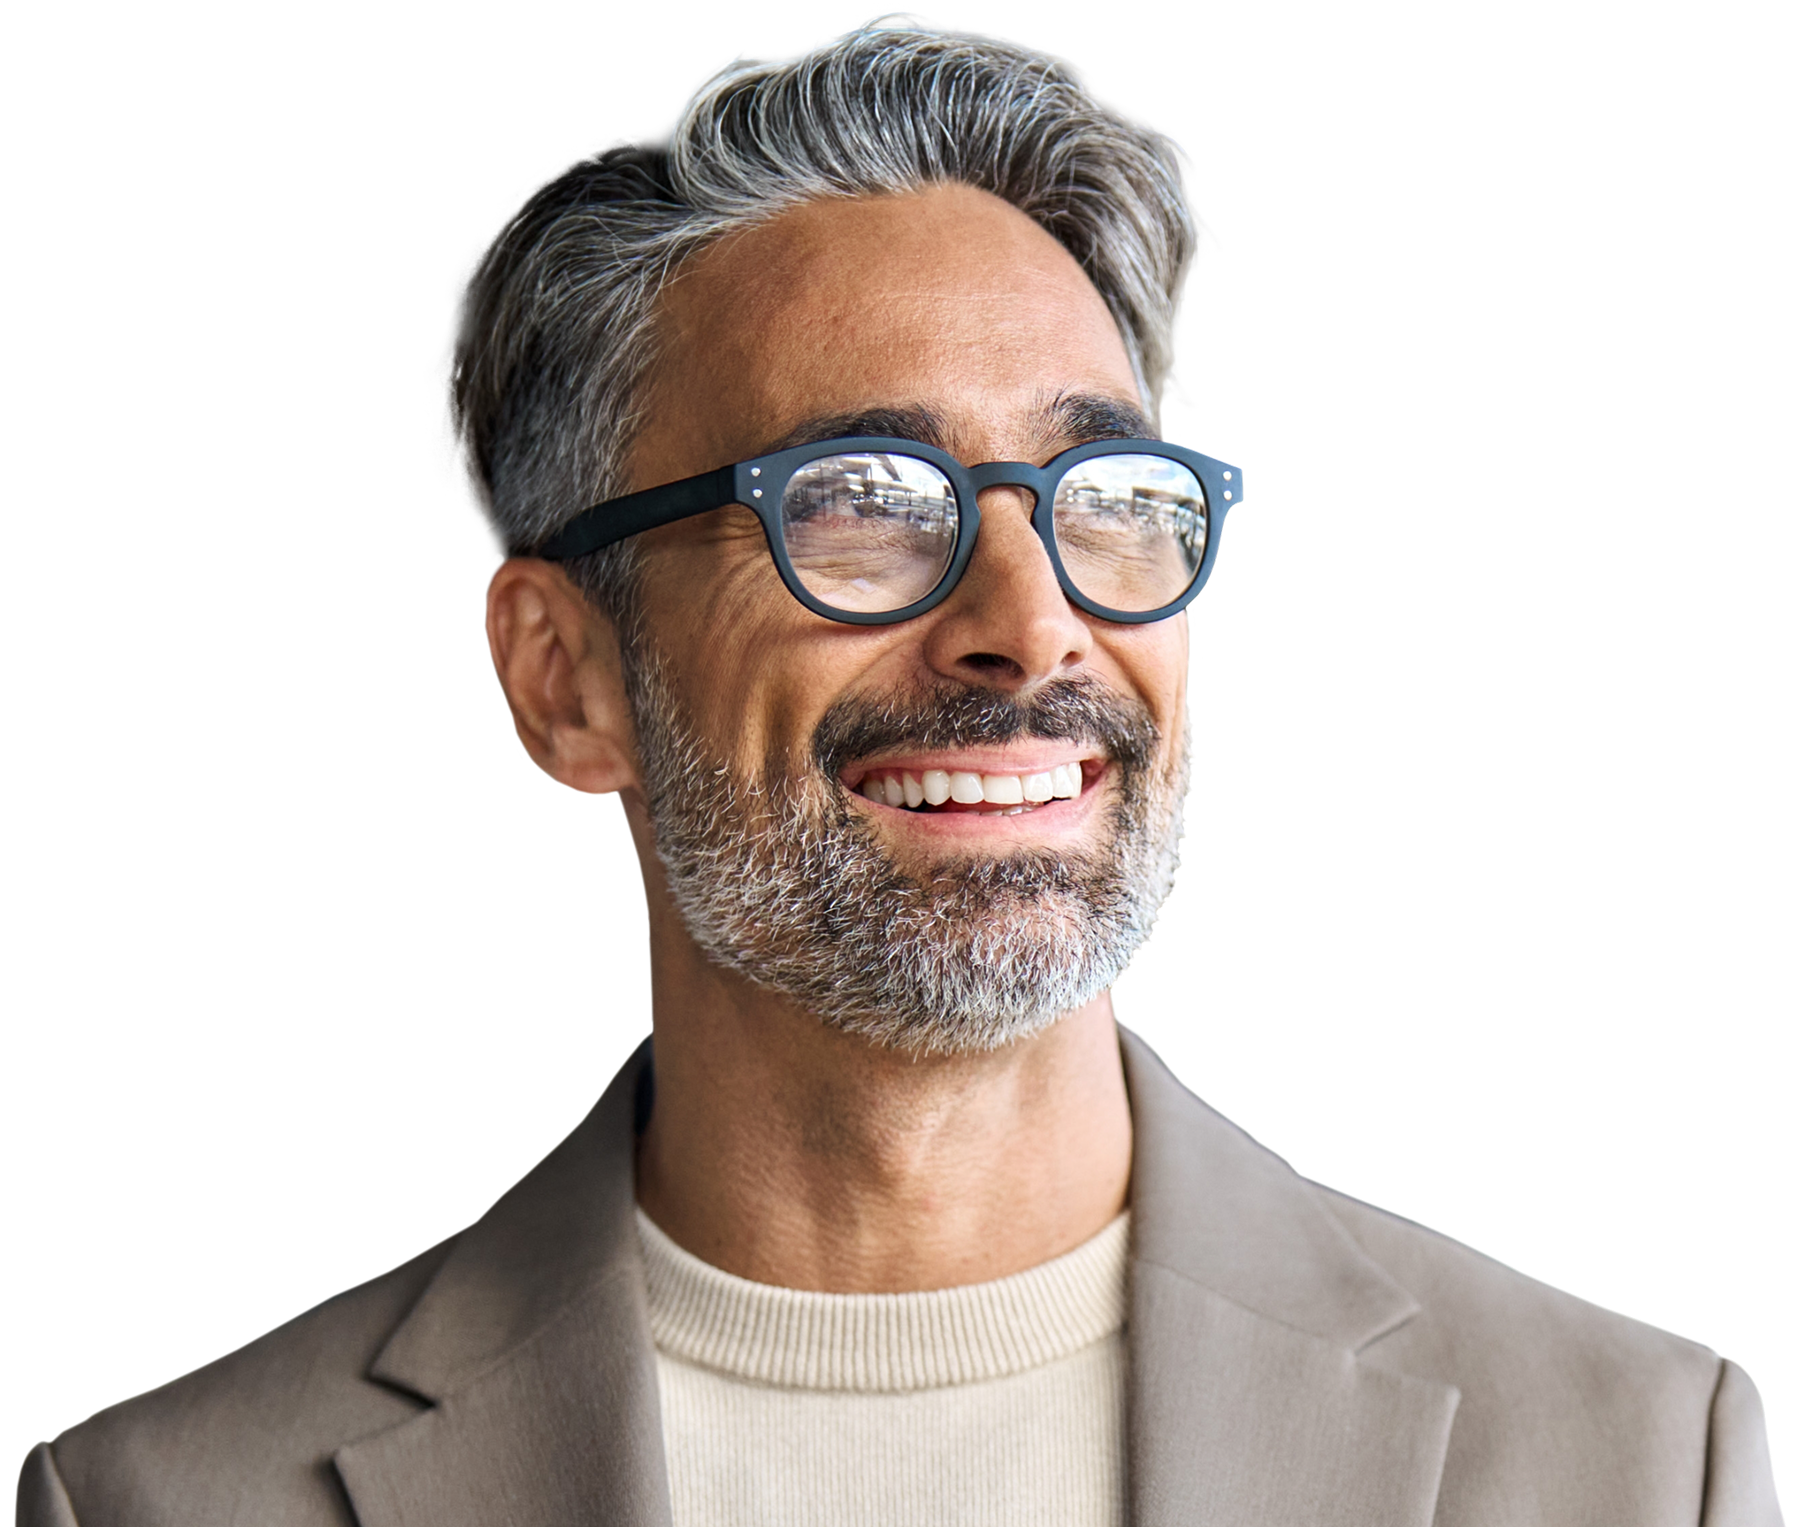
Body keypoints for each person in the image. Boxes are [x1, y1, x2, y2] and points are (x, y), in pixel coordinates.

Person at [15, 16, 1783, 1527]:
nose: (1033, 624)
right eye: (861, 500)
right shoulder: (168, 1501)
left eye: (1108, 497)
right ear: (564, 677)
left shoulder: (1636, 1458)